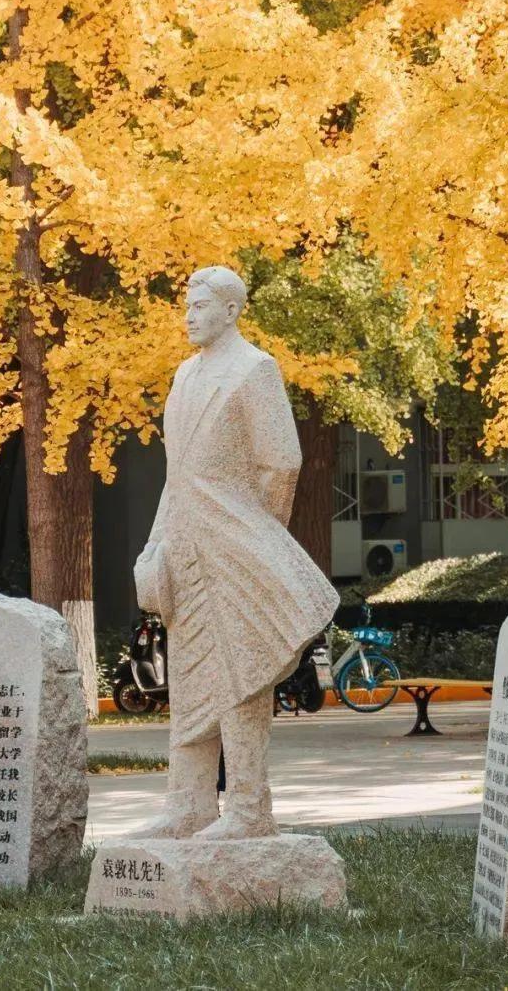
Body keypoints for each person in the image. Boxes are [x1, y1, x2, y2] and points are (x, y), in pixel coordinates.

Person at [133, 265, 338, 839]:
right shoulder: (184, 375)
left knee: (241, 671)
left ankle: (248, 810)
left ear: (231, 310)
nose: (189, 316)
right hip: (185, 547)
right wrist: (155, 542)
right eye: (187, 306)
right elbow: (177, 474)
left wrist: (255, 535)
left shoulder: (255, 370)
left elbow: (282, 463)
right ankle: (188, 805)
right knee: (191, 675)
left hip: (235, 547)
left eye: (199, 306)